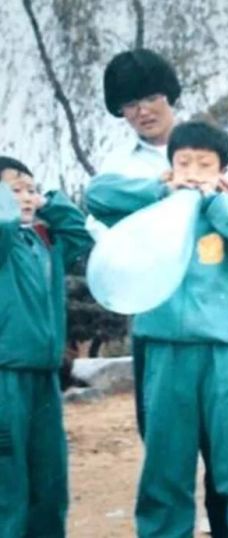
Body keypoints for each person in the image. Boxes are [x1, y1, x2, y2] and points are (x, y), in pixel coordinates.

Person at [98, 48, 228, 535]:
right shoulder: (125, 165)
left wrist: (222, 200)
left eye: (152, 97)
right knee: (165, 457)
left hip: (223, 331)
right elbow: (97, 199)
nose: (143, 110)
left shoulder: (223, 146)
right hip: (159, 334)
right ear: (120, 110)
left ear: (170, 97)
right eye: (130, 103)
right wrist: (161, 191)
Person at [0, 156, 93, 537]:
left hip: (44, 375)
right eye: (14, 190)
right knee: (9, 481)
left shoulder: (45, 242)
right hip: (5, 378)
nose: (24, 198)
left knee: (50, 478)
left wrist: (49, 201)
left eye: (29, 189)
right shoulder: (5, 243)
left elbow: (80, 235)